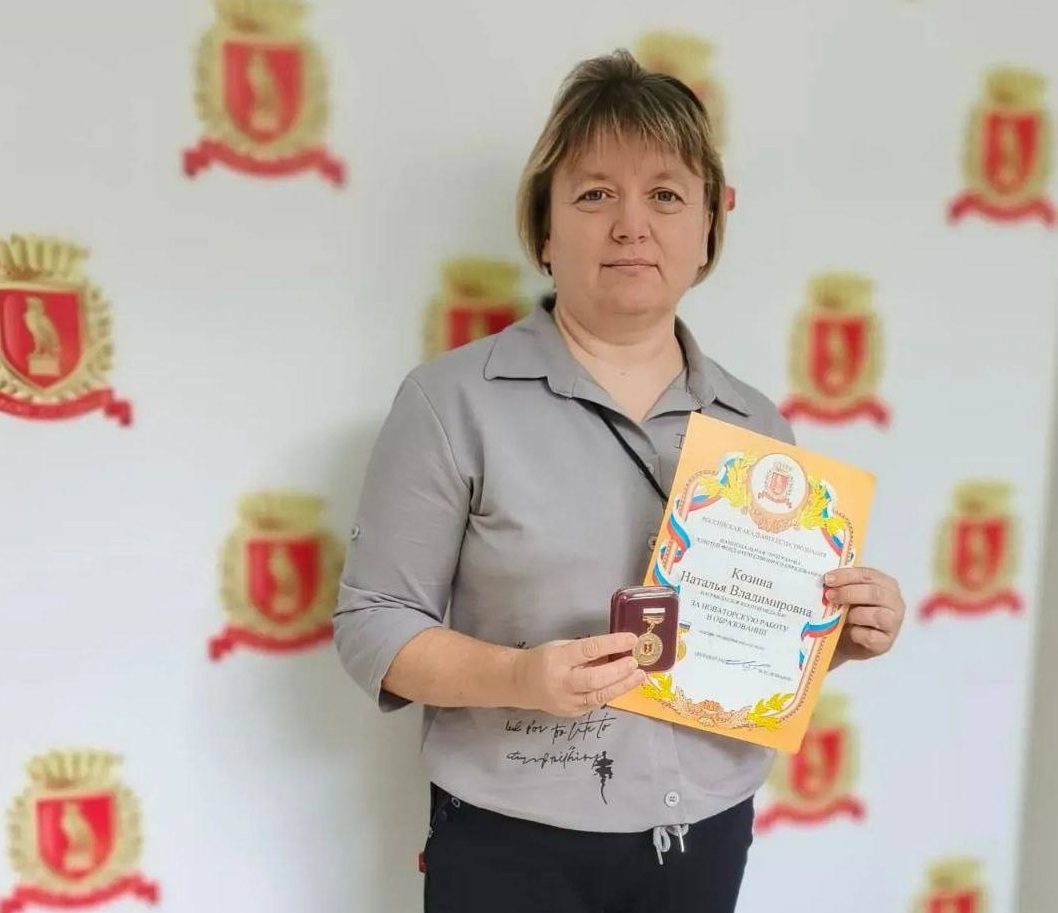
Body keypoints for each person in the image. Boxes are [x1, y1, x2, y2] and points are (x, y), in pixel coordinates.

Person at [333, 48, 906, 913]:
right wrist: (520, 678)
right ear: (544, 229)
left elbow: (750, 647)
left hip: (706, 834)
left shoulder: (756, 428)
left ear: (708, 227)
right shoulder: (450, 403)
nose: (632, 225)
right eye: (596, 194)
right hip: (510, 843)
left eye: (666, 195)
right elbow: (374, 624)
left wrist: (833, 635)